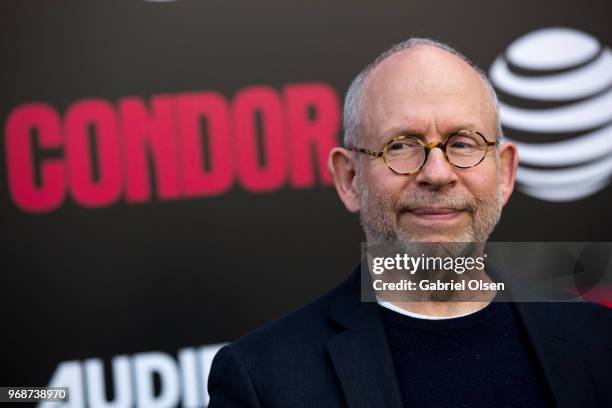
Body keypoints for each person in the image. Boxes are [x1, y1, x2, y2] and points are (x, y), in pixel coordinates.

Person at [207, 38, 612, 407]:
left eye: (463, 143)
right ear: (349, 179)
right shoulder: (263, 380)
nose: (437, 173)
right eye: (400, 145)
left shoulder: (597, 340)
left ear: (504, 173)